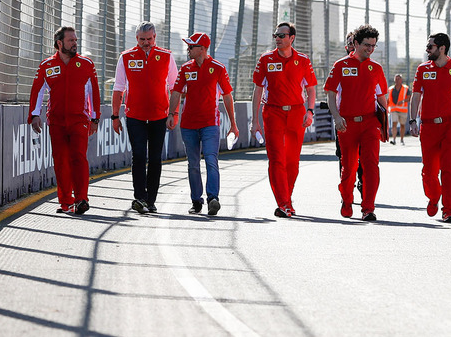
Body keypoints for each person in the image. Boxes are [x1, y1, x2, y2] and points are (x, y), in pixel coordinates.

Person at [28, 26, 100, 215]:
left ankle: (82, 199)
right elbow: (37, 91)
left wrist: (95, 118)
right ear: (59, 43)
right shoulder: (47, 65)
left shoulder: (86, 64)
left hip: (80, 120)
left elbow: (94, 93)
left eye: (76, 40)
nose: (75, 43)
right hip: (57, 121)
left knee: (79, 158)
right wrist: (35, 115)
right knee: (61, 161)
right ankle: (66, 202)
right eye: (71, 40)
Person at [167, 32, 240, 215]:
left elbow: (227, 96)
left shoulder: (218, 68)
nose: (188, 49)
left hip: (210, 124)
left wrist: (233, 123)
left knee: (210, 160)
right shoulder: (185, 68)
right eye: (188, 46)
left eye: (192, 47)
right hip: (188, 125)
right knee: (193, 163)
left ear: (202, 49)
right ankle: (196, 201)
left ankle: (213, 198)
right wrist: (171, 114)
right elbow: (176, 92)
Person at [251, 21, 317, 218]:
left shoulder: (303, 60)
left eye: (281, 35)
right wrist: (255, 121)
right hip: (273, 113)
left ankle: (286, 198)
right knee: (276, 159)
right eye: (275, 35)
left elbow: (311, 88)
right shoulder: (266, 59)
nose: (277, 39)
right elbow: (258, 89)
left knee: (292, 161)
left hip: (297, 113)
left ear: (292, 38)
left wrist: (310, 111)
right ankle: (283, 203)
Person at [112, 21, 177, 214]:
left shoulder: (166, 56)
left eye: (149, 39)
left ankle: (151, 200)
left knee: (155, 158)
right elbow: (118, 88)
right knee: (139, 155)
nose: (146, 43)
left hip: (159, 115)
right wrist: (115, 116)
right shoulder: (126, 57)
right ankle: (139, 197)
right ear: (136, 39)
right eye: (142, 39)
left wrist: (174, 113)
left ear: (155, 38)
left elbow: (175, 88)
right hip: (135, 116)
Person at [324, 24, 388, 221]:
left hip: (369, 124)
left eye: (373, 46)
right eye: (367, 45)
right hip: (347, 124)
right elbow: (331, 94)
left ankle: (368, 208)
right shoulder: (341, 66)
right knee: (349, 167)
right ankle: (346, 199)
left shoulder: (376, 68)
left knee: (371, 166)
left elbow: (382, 99)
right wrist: (336, 116)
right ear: (356, 43)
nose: (370, 49)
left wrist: (385, 125)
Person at [409, 32, 451, 223]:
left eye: (430, 47)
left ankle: (449, 210)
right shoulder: (422, 69)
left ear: (442, 48)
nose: (427, 50)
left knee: (449, 169)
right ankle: (434, 197)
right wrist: (412, 121)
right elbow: (416, 96)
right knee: (429, 172)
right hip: (428, 127)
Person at [387, 74, 409, 145]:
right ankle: (394, 139)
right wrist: (387, 108)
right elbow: (388, 99)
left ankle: (402, 139)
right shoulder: (390, 89)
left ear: (401, 80)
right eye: (396, 79)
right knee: (394, 124)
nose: (397, 80)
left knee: (402, 125)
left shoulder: (406, 88)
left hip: (403, 110)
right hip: (394, 109)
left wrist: (402, 101)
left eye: (398, 79)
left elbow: (409, 98)